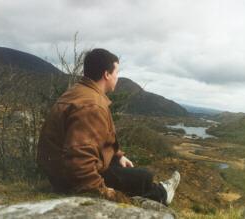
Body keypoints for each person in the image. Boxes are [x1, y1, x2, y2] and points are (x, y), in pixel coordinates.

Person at [37, 48, 180, 205]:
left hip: (58, 172)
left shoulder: (81, 91)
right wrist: (101, 191)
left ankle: (159, 190)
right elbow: (79, 160)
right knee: (143, 178)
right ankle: (163, 194)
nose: (117, 78)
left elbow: (95, 140)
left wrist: (118, 156)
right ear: (107, 74)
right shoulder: (93, 105)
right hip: (68, 181)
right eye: (116, 72)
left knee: (136, 175)